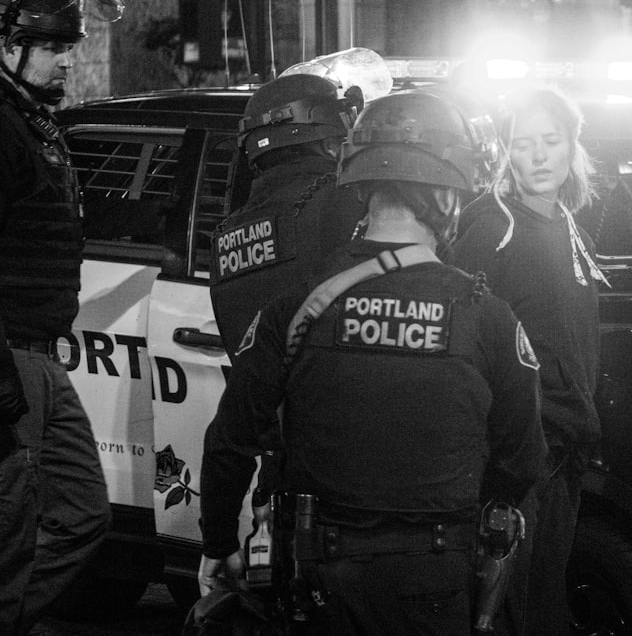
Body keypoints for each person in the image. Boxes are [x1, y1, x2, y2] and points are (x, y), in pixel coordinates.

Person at [198, 89, 548, 634]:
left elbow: (230, 441)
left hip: (317, 575)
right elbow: (524, 457)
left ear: (359, 187)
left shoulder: (294, 312)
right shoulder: (490, 319)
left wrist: (218, 541)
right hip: (436, 577)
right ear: (447, 197)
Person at [453, 84, 608, 635]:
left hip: (563, 453)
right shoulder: (491, 227)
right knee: (507, 614)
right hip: (516, 463)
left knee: (543, 609)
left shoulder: (571, 227)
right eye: (523, 144)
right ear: (505, 151)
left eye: (551, 140)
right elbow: (459, 345)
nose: (539, 156)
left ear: (572, 146)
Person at [0, 0, 123, 634]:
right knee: (13, 529)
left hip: (42, 355)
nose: (67, 58)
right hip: (13, 357)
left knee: (82, 512)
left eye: (70, 45)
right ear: (8, 45)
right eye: (50, 46)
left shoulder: (32, 123)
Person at [210, 47, 393, 356]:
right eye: (338, 141)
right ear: (326, 141)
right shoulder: (337, 201)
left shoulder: (226, 235)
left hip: (268, 399)